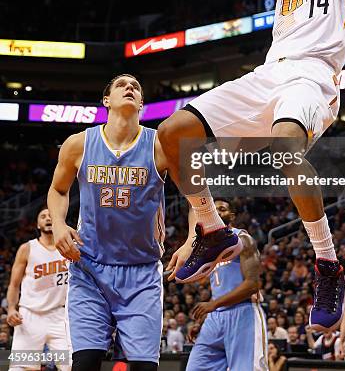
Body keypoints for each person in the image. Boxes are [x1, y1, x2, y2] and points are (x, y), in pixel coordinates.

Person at [160, 0, 345, 333]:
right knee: (172, 133)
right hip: (267, 75)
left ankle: (327, 264)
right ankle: (210, 229)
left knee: (284, 152)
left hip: (312, 78)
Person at [48, 73, 180, 371]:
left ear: (142, 103)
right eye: (122, 85)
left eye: (135, 86)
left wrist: (192, 240)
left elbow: (195, 192)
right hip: (90, 268)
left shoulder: (160, 144)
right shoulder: (78, 144)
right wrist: (58, 222)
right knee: (85, 362)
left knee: (144, 367)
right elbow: (58, 190)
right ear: (106, 100)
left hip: (142, 272)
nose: (129, 87)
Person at [185, 199, 268, 370]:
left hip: (244, 313)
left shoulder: (243, 239)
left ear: (232, 216)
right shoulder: (206, 246)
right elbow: (219, 288)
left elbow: (252, 285)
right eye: (214, 210)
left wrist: (213, 305)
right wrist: (202, 321)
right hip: (216, 317)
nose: (217, 213)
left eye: (222, 209)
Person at [6, 207, 71, 371]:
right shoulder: (27, 248)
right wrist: (12, 309)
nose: (48, 218)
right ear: (37, 224)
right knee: (21, 368)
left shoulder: (70, 247)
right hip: (30, 316)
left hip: (60, 315)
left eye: (51, 215)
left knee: (70, 365)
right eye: (43, 216)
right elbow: (14, 284)